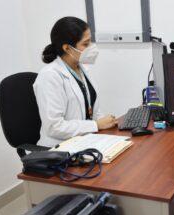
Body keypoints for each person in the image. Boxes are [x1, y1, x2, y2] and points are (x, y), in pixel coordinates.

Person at [33, 17, 117, 147]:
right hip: (60, 149)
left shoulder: (81, 69)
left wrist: (105, 121)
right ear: (67, 48)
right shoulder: (49, 76)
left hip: (85, 141)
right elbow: (54, 127)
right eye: (85, 44)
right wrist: (96, 125)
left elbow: (90, 109)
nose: (91, 47)